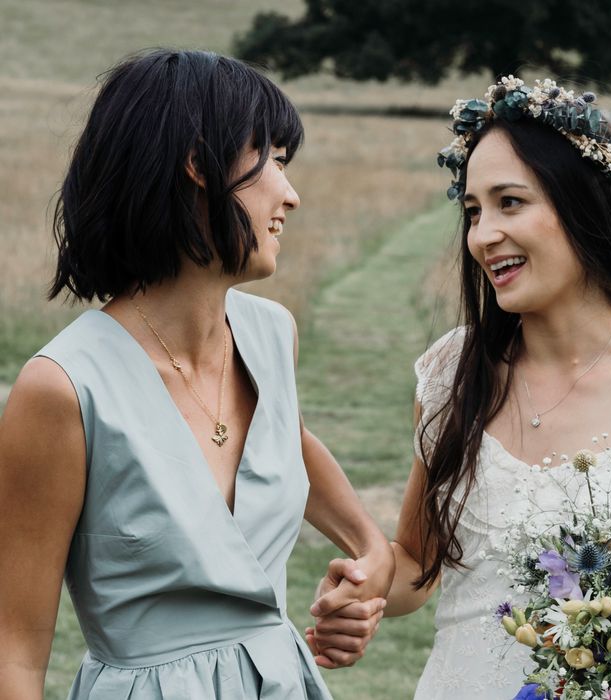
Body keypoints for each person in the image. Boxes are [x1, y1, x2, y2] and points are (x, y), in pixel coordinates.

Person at [310, 76, 611, 699]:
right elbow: (418, 566)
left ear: (584, 207)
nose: (482, 235)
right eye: (472, 211)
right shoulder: (450, 373)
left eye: (510, 202)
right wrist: (367, 585)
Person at [0, 49, 393, 699]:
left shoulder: (271, 336)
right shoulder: (64, 389)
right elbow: (12, 650)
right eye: (277, 163)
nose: (290, 196)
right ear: (198, 163)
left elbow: (281, 441)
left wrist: (368, 545)